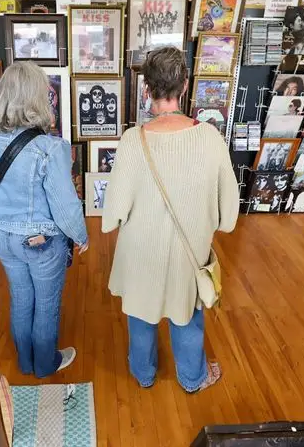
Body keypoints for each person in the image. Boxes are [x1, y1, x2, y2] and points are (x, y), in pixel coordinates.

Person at [101, 47, 239, 393]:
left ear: (146, 89)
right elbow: (229, 218)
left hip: (141, 251)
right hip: (188, 250)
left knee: (141, 315)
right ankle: (192, 378)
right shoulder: (210, 137)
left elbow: (112, 213)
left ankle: (144, 374)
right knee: (187, 316)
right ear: (186, 85)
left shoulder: (134, 140)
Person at [0, 61, 88, 378]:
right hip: (40, 240)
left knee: (21, 297)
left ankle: (25, 362)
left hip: (0, 235)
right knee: (46, 304)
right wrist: (81, 236)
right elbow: (65, 205)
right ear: (38, 97)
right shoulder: (49, 148)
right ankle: (45, 364)